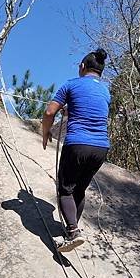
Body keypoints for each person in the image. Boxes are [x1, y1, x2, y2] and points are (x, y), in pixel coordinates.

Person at [42, 48, 110, 252]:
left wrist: (45, 132)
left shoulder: (71, 84)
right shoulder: (106, 91)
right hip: (101, 147)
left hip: (78, 143)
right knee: (79, 189)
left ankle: (72, 231)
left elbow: (48, 112)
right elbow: (92, 110)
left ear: (82, 67)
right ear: (101, 72)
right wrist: (70, 110)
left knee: (65, 189)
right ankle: (72, 232)